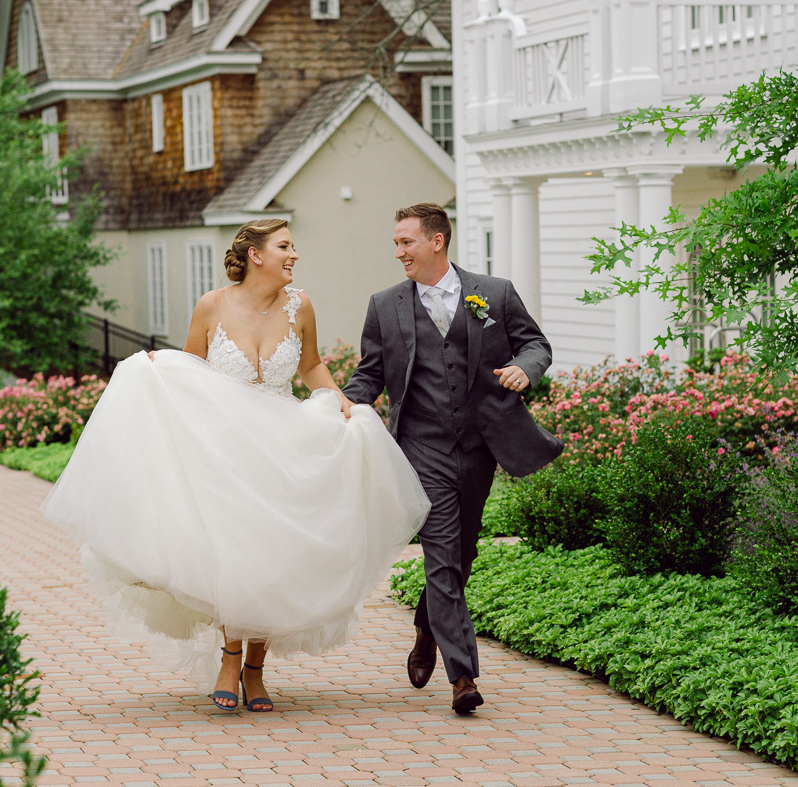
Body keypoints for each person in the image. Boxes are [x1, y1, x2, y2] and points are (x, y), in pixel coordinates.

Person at [43, 219, 429, 713]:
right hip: (226, 448)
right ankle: (230, 656)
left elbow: (310, 366)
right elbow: (192, 371)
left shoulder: (300, 305)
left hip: (284, 443)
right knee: (235, 550)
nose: (294, 255)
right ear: (255, 255)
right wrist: (155, 371)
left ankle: (256, 668)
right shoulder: (212, 306)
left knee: (277, 552)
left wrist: (340, 401)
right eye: (285, 246)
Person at [343, 203, 563, 715]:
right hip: (421, 446)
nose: (398, 252)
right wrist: (345, 407)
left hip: (480, 444)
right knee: (441, 553)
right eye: (396, 243)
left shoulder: (494, 292)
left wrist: (525, 370)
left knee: (462, 553)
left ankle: (426, 629)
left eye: (406, 242)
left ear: (436, 241)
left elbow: (535, 343)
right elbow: (370, 373)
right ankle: (463, 676)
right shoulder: (385, 305)